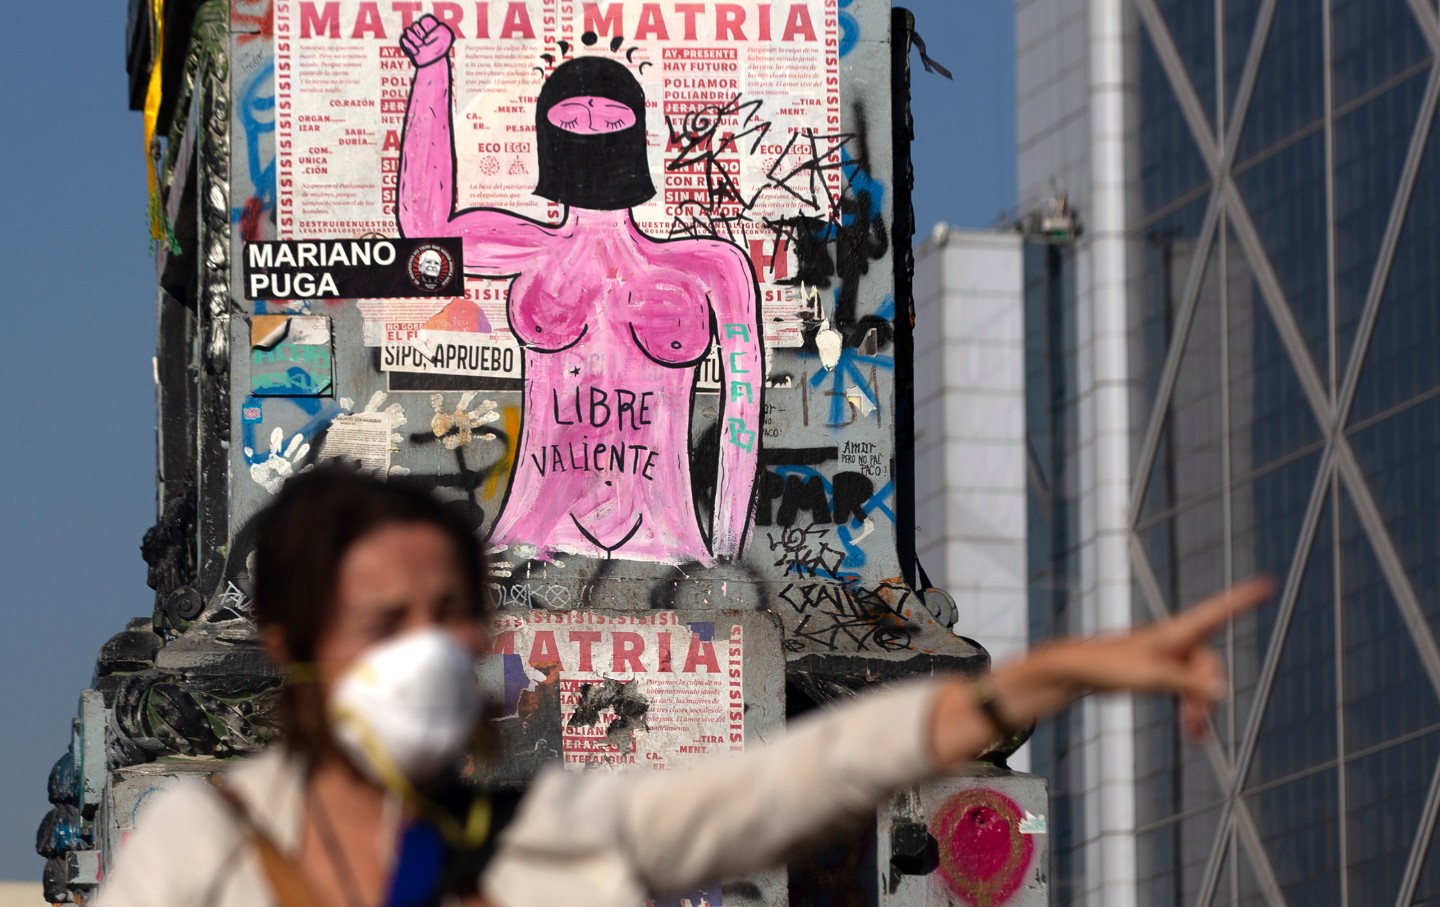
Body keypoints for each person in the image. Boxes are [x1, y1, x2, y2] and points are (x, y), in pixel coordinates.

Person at [96, 466, 1273, 907]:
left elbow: (825, 767)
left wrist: (1052, 676)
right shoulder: (202, 848)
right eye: (380, 622)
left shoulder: (566, 841)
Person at [396, 15, 762, 566]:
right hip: (530, 544)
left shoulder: (714, 267)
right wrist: (431, 72)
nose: (591, 130)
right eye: (572, 118)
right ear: (548, 134)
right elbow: (427, 231)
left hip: (672, 549)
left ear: (635, 133)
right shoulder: (530, 249)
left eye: (609, 118)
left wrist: (730, 554)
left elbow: (744, 412)